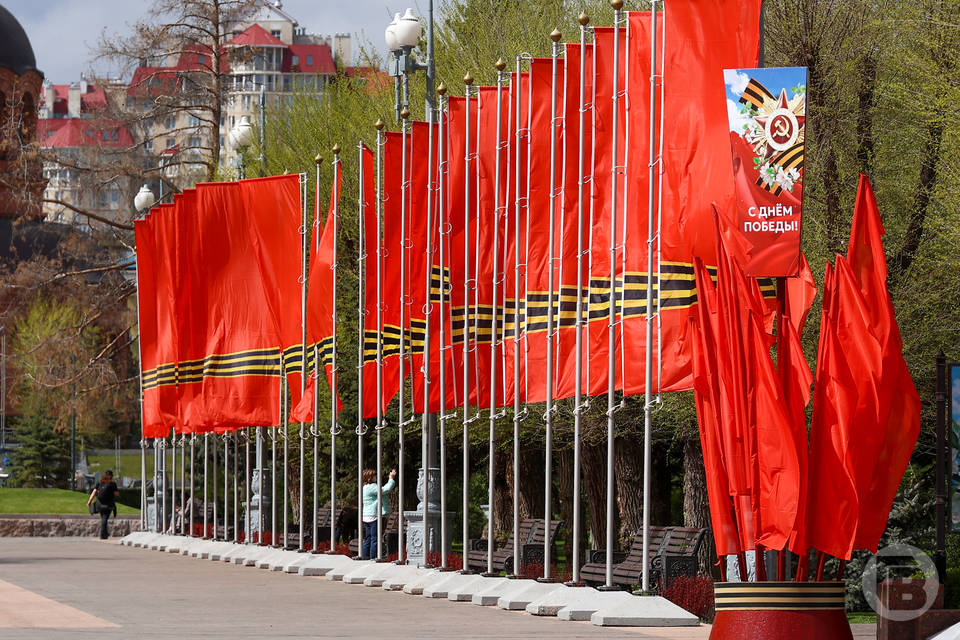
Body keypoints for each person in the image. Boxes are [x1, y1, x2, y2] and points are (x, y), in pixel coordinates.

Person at [361, 467, 396, 559]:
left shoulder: (364, 487)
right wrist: (391, 479)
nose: (376, 476)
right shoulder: (372, 486)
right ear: (370, 477)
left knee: (368, 539)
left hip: (366, 516)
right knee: (374, 539)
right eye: (374, 475)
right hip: (374, 516)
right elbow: (385, 490)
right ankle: (372, 558)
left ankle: (365, 557)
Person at [88, 470, 118, 540]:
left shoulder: (100, 482)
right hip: (108, 504)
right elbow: (116, 494)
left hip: (99, 504)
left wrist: (90, 501)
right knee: (105, 518)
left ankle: (105, 533)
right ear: (111, 476)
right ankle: (102, 534)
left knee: (103, 518)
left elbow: (94, 491)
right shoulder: (112, 484)